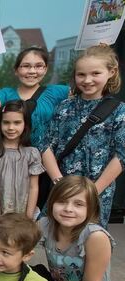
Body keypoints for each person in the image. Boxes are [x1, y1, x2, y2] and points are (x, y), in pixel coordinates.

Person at [40, 44, 125, 228]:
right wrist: (58, 181)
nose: (87, 80)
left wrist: (94, 191)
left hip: (97, 189)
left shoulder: (119, 111)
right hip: (63, 188)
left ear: (111, 72)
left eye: (95, 73)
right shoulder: (64, 107)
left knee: (91, 241)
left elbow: (121, 155)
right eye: (81, 75)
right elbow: (46, 145)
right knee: (57, 242)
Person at [0, 47, 69, 149]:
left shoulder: (56, 92)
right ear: (16, 70)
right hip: (15, 157)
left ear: (45, 70)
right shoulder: (7, 94)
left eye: (38, 66)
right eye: (26, 66)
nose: (32, 71)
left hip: (47, 158)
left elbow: (84, 91)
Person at [0, 100, 44, 218]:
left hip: (20, 212)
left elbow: (33, 187)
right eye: (6, 122)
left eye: (17, 123)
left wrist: (29, 216)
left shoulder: (31, 153)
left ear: (25, 124)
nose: (11, 127)